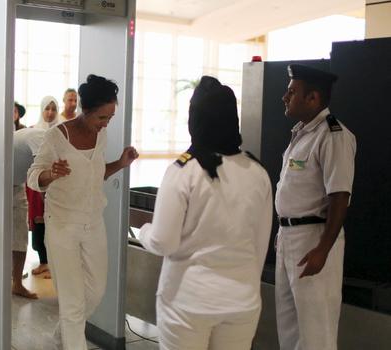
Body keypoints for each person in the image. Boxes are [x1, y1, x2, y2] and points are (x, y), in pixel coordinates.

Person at [138, 76, 273, 350]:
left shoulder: (183, 171)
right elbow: (260, 246)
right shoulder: (257, 173)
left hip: (187, 301)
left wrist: (144, 231)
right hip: (242, 301)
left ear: (195, 120)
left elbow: (164, 241)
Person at [27, 74, 139, 349]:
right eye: (102, 117)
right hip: (62, 224)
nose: (106, 123)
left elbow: (95, 174)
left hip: (93, 221)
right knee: (73, 300)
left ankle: (63, 334)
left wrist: (121, 164)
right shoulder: (57, 136)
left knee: (96, 289)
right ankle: (72, 340)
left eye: (110, 117)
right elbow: (33, 175)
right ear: (85, 110)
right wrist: (50, 175)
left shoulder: (100, 134)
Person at [275, 64, 356, 350]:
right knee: (289, 327)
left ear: (313, 98)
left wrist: (323, 249)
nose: (285, 97)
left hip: (314, 238)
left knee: (315, 331)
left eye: (292, 92)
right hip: (288, 237)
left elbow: (339, 196)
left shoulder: (333, 135)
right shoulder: (302, 133)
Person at [12, 126, 46, 299]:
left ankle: (16, 283)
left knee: (20, 235)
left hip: (16, 185)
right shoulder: (40, 137)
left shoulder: (48, 141)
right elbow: (40, 178)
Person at [28, 96, 59, 278]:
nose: (50, 113)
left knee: (53, 224)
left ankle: (54, 265)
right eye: (47, 109)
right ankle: (44, 262)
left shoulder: (61, 131)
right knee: (39, 222)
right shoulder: (34, 130)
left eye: (53, 109)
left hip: (55, 183)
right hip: (37, 183)